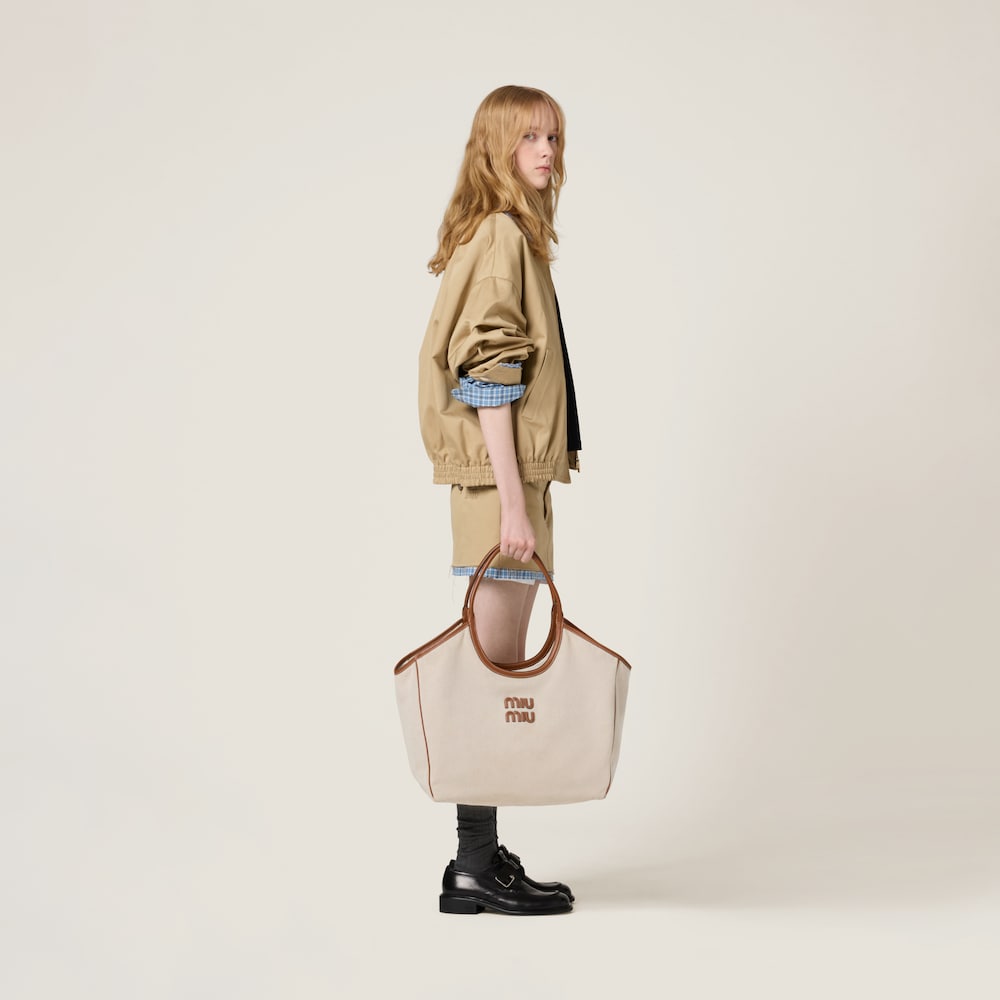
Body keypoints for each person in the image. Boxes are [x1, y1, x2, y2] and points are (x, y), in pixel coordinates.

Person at [417, 85, 583, 916]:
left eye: (553, 137)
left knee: (497, 671)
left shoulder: (508, 235)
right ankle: (473, 865)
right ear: (496, 148)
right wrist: (514, 506)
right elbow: (488, 378)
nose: (546, 152)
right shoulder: (500, 238)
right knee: (489, 679)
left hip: (510, 489)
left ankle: (479, 859)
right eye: (528, 139)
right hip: (500, 494)